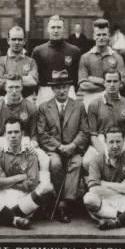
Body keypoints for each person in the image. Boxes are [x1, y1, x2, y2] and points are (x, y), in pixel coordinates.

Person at [0, 117, 53, 229]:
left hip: (23, 200)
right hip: (0, 198)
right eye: (9, 132)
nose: (13, 135)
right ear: (5, 135)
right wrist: (19, 177)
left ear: (22, 134)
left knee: (47, 187)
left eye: (16, 132)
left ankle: (1, 217)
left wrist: (4, 181)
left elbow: (31, 185)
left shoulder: (30, 154)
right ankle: (14, 219)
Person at [37, 70, 89, 223]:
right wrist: (60, 147)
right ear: (52, 89)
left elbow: (84, 131)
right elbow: (42, 133)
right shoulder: (44, 108)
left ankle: (65, 203)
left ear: (69, 88)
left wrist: (72, 145)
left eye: (64, 87)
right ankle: (58, 201)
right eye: (58, 87)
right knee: (55, 163)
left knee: (76, 164)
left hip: (74, 148)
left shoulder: (79, 106)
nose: (61, 90)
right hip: (54, 149)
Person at [0, 73, 50, 183]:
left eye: (17, 87)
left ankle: (45, 187)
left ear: (22, 87)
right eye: (11, 87)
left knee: (44, 158)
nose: (14, 91)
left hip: (24, 141)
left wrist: (33, 143)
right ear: (5, 87)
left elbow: (34, 133)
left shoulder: (30, 107)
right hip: (2, 141)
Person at [83, 69, 125, 171]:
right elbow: (93, 134)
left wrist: (123, 152)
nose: (112, 84)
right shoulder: (94, 104)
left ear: (120, 83)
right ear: (104, 83)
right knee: (87, 162)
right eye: (109, 81)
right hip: (101, 142)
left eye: (115, 81)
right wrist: (104, 153)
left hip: (121, 142)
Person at [32, 15, 81, 106]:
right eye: (53, 27)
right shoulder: (38, 51)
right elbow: (35, 76)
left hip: (67, 91)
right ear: (48, 29)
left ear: (64, 29)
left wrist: (70, 89)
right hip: (46, 91)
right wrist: (42, 91)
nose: (56, 30)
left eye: (59, 27)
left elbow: (77, 76)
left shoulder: (74, 51)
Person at [77, 19, 125, 110]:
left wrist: (95, 80)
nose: (101, 37)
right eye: (98, 35)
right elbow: (83, 84)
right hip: (90, 100)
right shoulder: (85, 57)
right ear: (93, 36)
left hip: (112, 100)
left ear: (109, 36)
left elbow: (122, 84)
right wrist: (108, 84)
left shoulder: (117, 57)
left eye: (104, 34)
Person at [0, 26, 38, 103]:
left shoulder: (31, 61)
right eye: (13, 39)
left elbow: (33, 81)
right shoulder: (1, 61)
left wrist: (7, 78)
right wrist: (25, 79)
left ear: (24, 41)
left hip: (27, 100)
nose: (17, 42)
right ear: (8, 40)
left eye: (20, 39)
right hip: (5, 101)